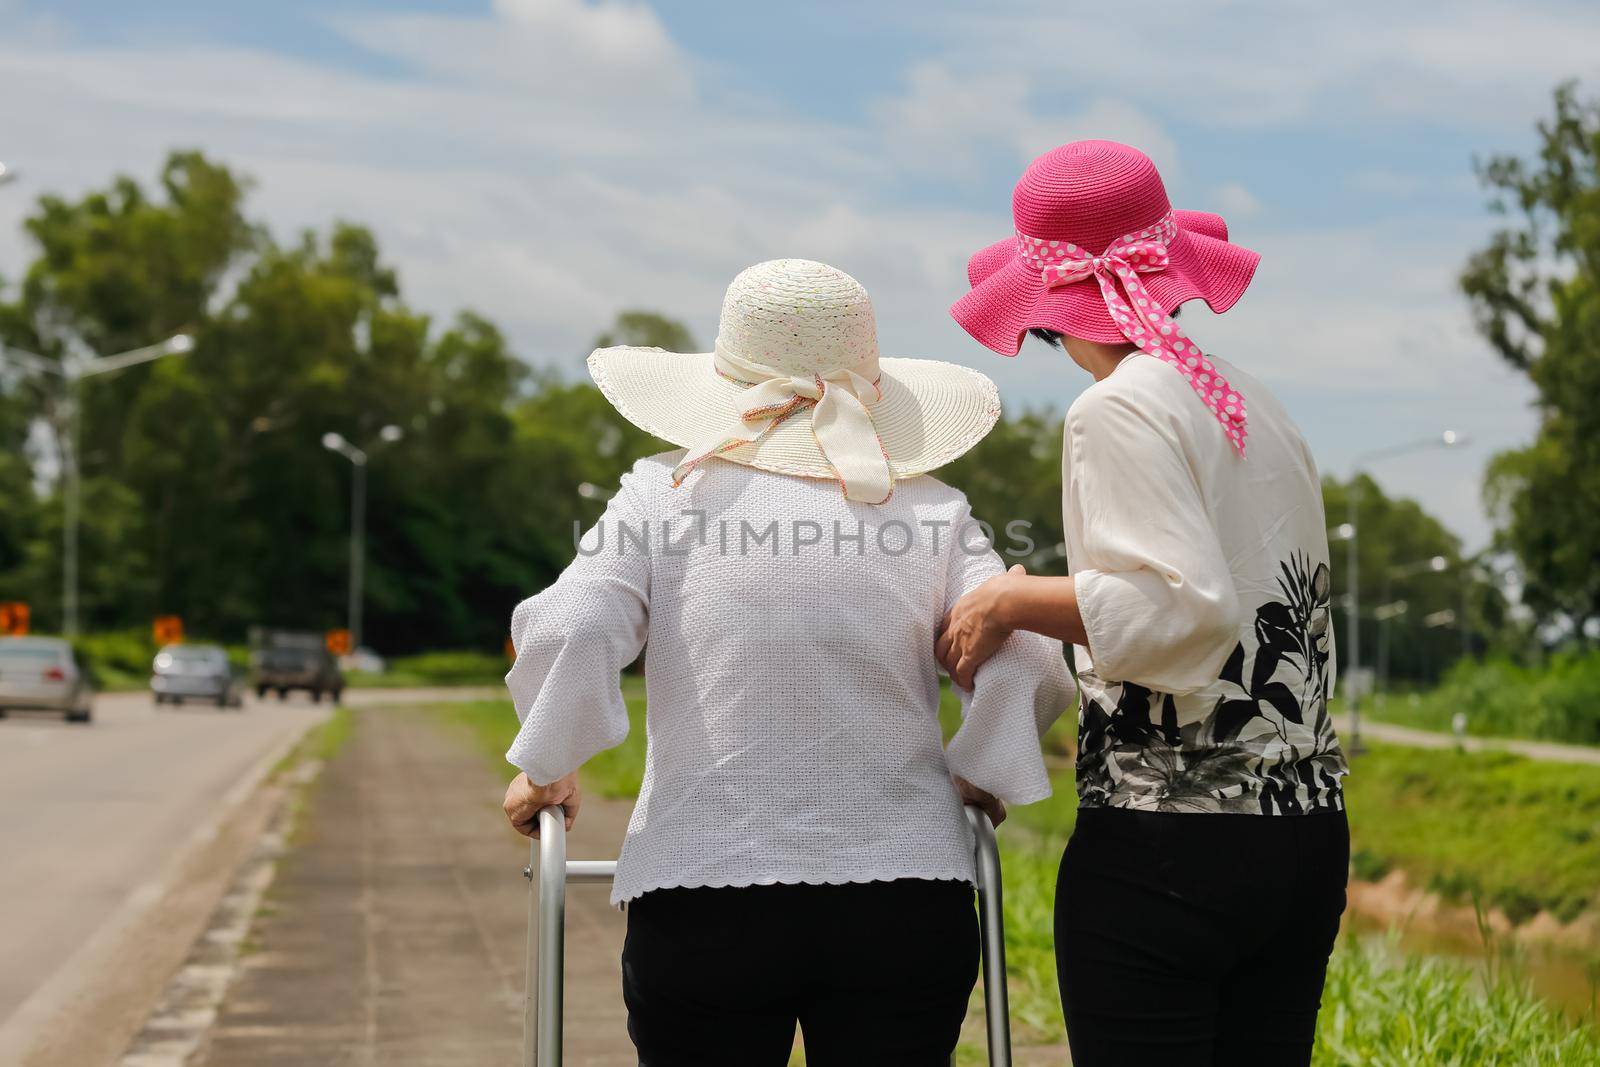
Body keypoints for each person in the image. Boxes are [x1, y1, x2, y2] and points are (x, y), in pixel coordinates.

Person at [500, 259, 1075, 1067]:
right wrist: (986, 768)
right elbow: (1029, 652)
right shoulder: (935, 508)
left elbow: (574, 624)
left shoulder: (661, 492)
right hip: (905, 895)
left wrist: (549, 762)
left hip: (704, 886)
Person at [941, 141, 1349, 1066]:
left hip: (1172, 837)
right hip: (1304, 828)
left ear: (1046, 304)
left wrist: (1009, 597)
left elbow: (1177, 612)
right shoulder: (1251, 399)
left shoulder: (1117, 407)